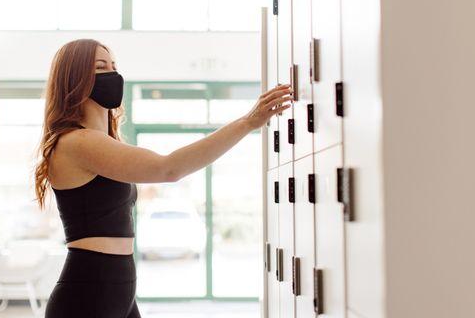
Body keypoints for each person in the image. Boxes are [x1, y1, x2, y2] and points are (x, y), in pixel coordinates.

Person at [34, 38, 292, 317]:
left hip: (116, 288)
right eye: (100, 67)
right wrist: (247, 122)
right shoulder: (77, 142)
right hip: (88, 293)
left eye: (114, 65)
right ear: (75, 78)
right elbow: (168, 168)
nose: (113, 74)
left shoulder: (101, 141)